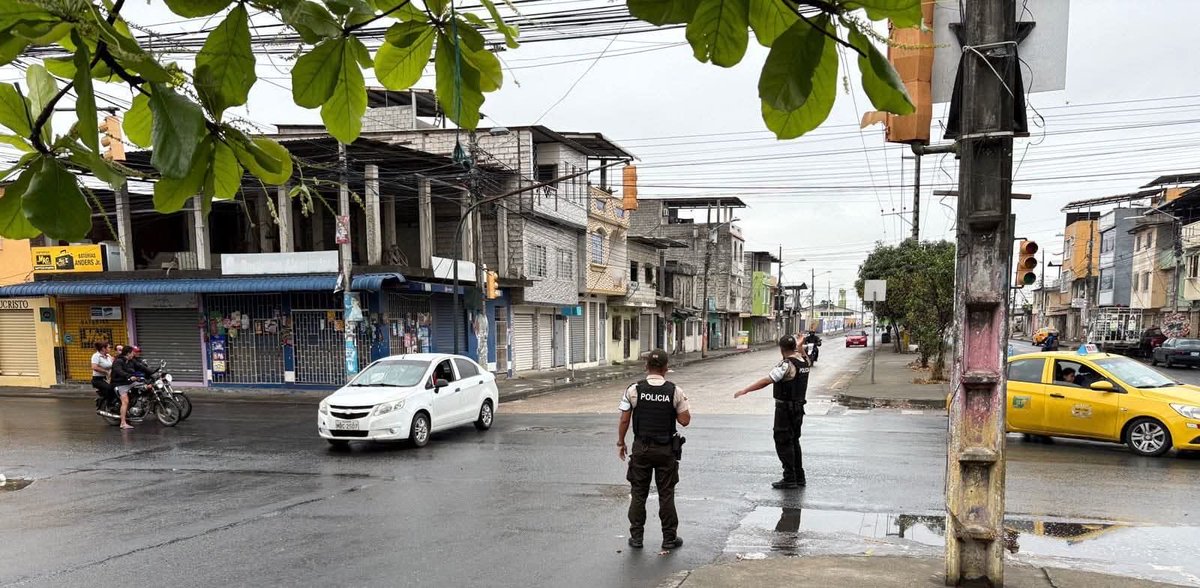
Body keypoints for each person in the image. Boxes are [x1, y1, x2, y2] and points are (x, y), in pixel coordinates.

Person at [617, 349, 690, 551]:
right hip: (666, 449)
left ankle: (636, 538)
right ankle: (669, 539)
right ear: (666, 368)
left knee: (638, 493)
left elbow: (624, 420)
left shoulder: (633, 389)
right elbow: (685, 420)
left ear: (646, 366)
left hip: (641, 448)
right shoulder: (675, 391)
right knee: (666, 494)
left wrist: (621, 442)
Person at [734, 335, 811, 489]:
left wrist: (745, 390)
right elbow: (801, 352)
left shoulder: (786, 365)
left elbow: (767, 380)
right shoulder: (804, 361)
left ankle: (789, 478)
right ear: (794, 348)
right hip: (798, 409)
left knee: (783, 442)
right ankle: (799, 476)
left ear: (781, 349)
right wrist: (800, 345)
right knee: (794, 441)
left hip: (785, 410)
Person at [110, 346, 138, 429]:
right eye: (132, 353)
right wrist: (129, 376)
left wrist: (152, 372)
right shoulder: (118, 361)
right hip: (119, 383)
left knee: (144, 386)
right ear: (128, 353)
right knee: (125, 401)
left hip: (128, 382)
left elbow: (140, 366)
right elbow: (119, 371)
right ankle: (123, 423)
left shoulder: (130, 361)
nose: (133, 354)